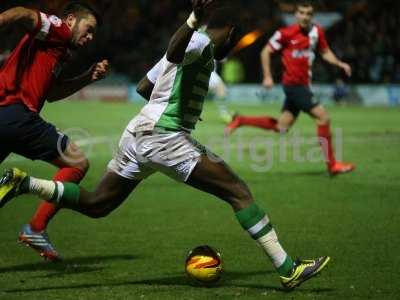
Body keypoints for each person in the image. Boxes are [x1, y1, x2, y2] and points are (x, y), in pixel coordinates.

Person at [0, 1, 330, 290]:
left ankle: (24, 182)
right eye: (236, 38)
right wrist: (192, 20)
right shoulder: (199, 41)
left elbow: (146, 85)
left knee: (98, 204)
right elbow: (174, 52)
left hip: (141, 132)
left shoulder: (197, 46)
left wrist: (172, 103)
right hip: (164, 136)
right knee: (239, 192)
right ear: (229, 32)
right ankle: (288, 270)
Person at [0, 2, 109, 261]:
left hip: (5, 117)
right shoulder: (58, 29)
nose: (90, 37)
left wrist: (87, 77)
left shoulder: (58, 50)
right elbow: (22, 13)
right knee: (77, 163)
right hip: (17, 116)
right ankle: (36, 226)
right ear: (71, 20)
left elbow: (53, 94)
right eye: (88, 29)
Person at [225, 1, 355, 176]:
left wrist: (339, 63)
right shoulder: (285, 34)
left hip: (302, 85)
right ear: (296, 15)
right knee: (323, 118)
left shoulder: (316, 32)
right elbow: (266, 52)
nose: (305, 16)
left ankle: (241, 120)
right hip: (294, 86)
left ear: (312, 16)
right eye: (301, 13)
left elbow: (325, 52)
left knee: (281, 127)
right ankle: (332, 165)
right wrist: (268, 76)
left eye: (308, 13)